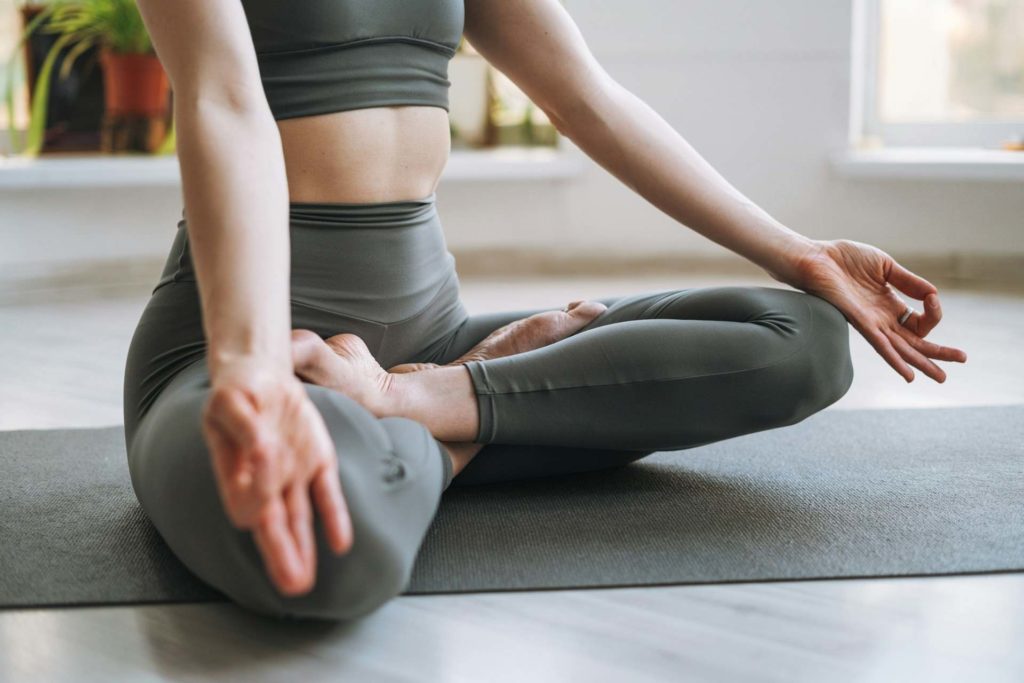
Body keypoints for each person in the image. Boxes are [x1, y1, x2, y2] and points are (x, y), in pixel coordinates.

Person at [123, 0, 967, 620]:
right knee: (325, 551)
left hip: (434, 336)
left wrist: (798, 252)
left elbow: (588, 99)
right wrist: (252, 368)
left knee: (805, 341)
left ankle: (423, 399)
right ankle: (459, 414)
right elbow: (223, 102)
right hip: (234, 351)